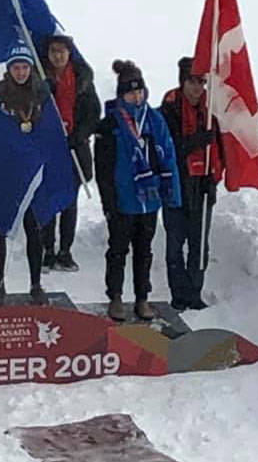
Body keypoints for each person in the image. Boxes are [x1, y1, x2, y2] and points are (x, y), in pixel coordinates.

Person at [0, 44, 75, 306]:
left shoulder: (41, 94)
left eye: (25, 67)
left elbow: (50, 135)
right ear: (9, 68)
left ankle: (36, 284)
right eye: (16, 67)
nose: (21, 72)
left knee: (34, 229)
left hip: (34, 176)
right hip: (5, 175)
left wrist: (39, 156)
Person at [95, 60, 181, 321]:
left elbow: (169, 156)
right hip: (123, 198)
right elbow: (103, 168)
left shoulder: (154, 119)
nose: (136, 96)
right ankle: (116, 297)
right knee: (118, 249)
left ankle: (142, 297)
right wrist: (108, 202)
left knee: (145, 250)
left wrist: (171, 191)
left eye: (139, 91)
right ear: (121, 94)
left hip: (150, 198)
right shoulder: (110, 124)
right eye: (130, 92)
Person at [160, 57, 224, 311]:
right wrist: (198, 140)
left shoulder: (210, 111)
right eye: (192, 82)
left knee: (199, 244)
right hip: (176, 184)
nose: (197, 88)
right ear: (182, 81)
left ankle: (194, 292)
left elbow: (221, 148)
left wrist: (214, 179)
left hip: (202, 184)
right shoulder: (169, 109)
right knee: (175, 243)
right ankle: (178, 294)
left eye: (201, 82)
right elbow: (169, 148)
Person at [39, 35, 100, 272]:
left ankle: (65, 250)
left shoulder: (82, 79)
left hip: (75, 147)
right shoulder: (41, 78)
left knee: (69, 201)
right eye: (53, 51)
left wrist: (81, 134)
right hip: (49, 148)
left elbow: (93, 111)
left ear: (69, 53)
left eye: (62, 51)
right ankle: (48, 249)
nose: (57, 56)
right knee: (48, 200)